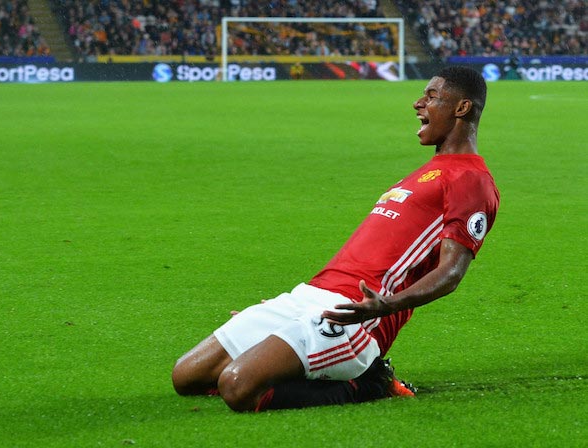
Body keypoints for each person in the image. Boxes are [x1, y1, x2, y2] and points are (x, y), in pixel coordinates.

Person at [172, 66, 500, 412]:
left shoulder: (471, 180)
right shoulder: (425, 173)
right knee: (187, 376)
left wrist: (386, 306)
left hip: (357, 315)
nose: (418, 103)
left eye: (432, 97)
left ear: (462, 108)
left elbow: (451, 272)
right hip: (310, 295)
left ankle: (369, 382)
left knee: (237, 387)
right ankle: (296, 359)